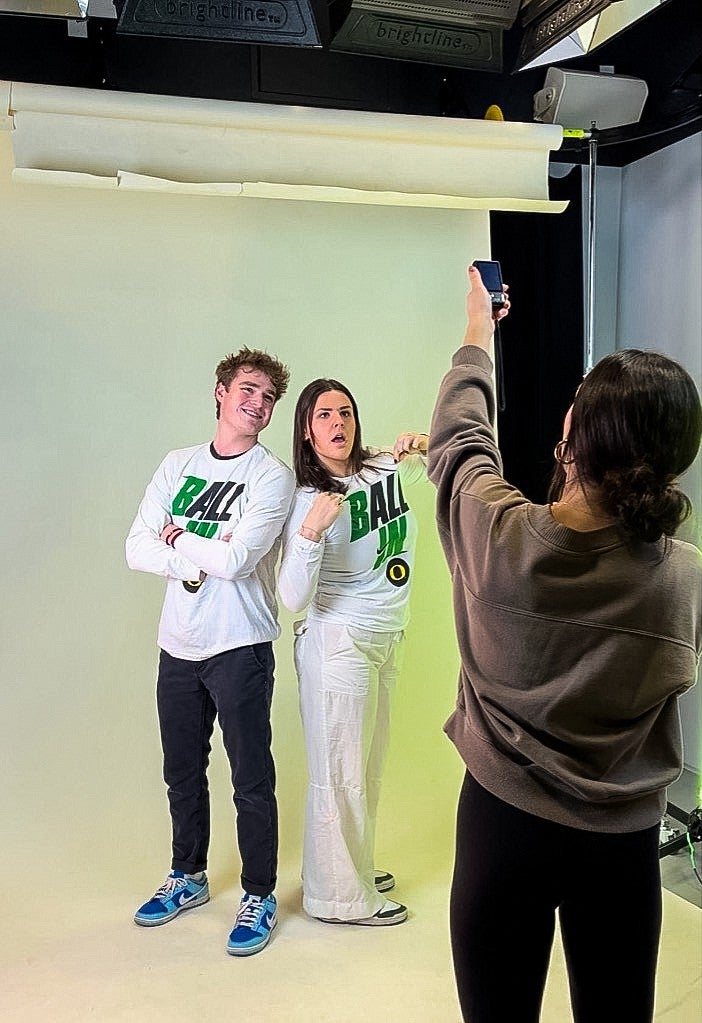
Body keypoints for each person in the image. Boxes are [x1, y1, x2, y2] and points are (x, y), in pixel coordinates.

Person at [427, 264, 702, 1022]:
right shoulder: (682, 580)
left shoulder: (495, 533)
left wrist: (480, 331)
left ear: (570, 438)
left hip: (499, 829)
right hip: (619, 847)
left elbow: (459, 443)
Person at [125, 347, 295, 957]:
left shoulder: (272, 477)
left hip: (240, 645)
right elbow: (136, 546)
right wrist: (196, 549)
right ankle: (188, 876)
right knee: (181, 772)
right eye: (248, 390)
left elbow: (238, 560)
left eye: (269, 398)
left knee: (251, 777)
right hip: (179, 644)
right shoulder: (179, 463)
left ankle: (259, 893)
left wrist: (179, 533)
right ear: (221, 392)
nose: (258, 404)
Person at [278, 378, 428, 925]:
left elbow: (428, 468)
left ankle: (350, 866)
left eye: (345, 412)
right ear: (306, 429)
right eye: (323, 416)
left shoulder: (378, 469)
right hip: (337, 643)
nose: (337, 423)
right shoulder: (305, 501)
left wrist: (424, 445)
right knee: (338, 771)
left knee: (367, 766)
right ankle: (339, 897)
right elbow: (292, 596)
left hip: (387, 635)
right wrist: (311, 533)